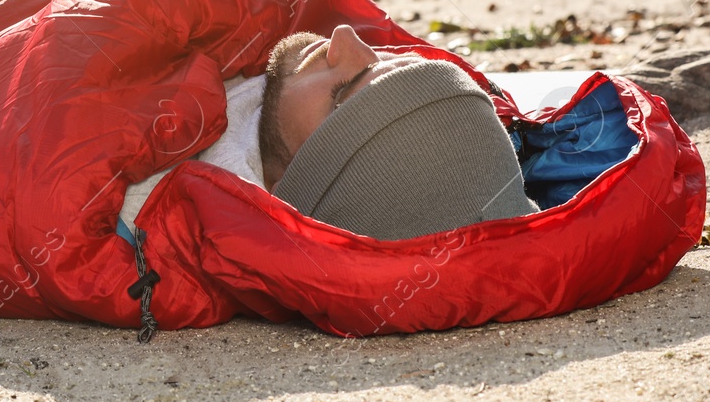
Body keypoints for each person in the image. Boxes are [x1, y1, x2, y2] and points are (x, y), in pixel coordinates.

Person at [120, 23, 539, 240]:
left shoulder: (125, 182)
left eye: (341, 95)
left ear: (289, 185)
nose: (344, 36)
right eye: (378, 60)